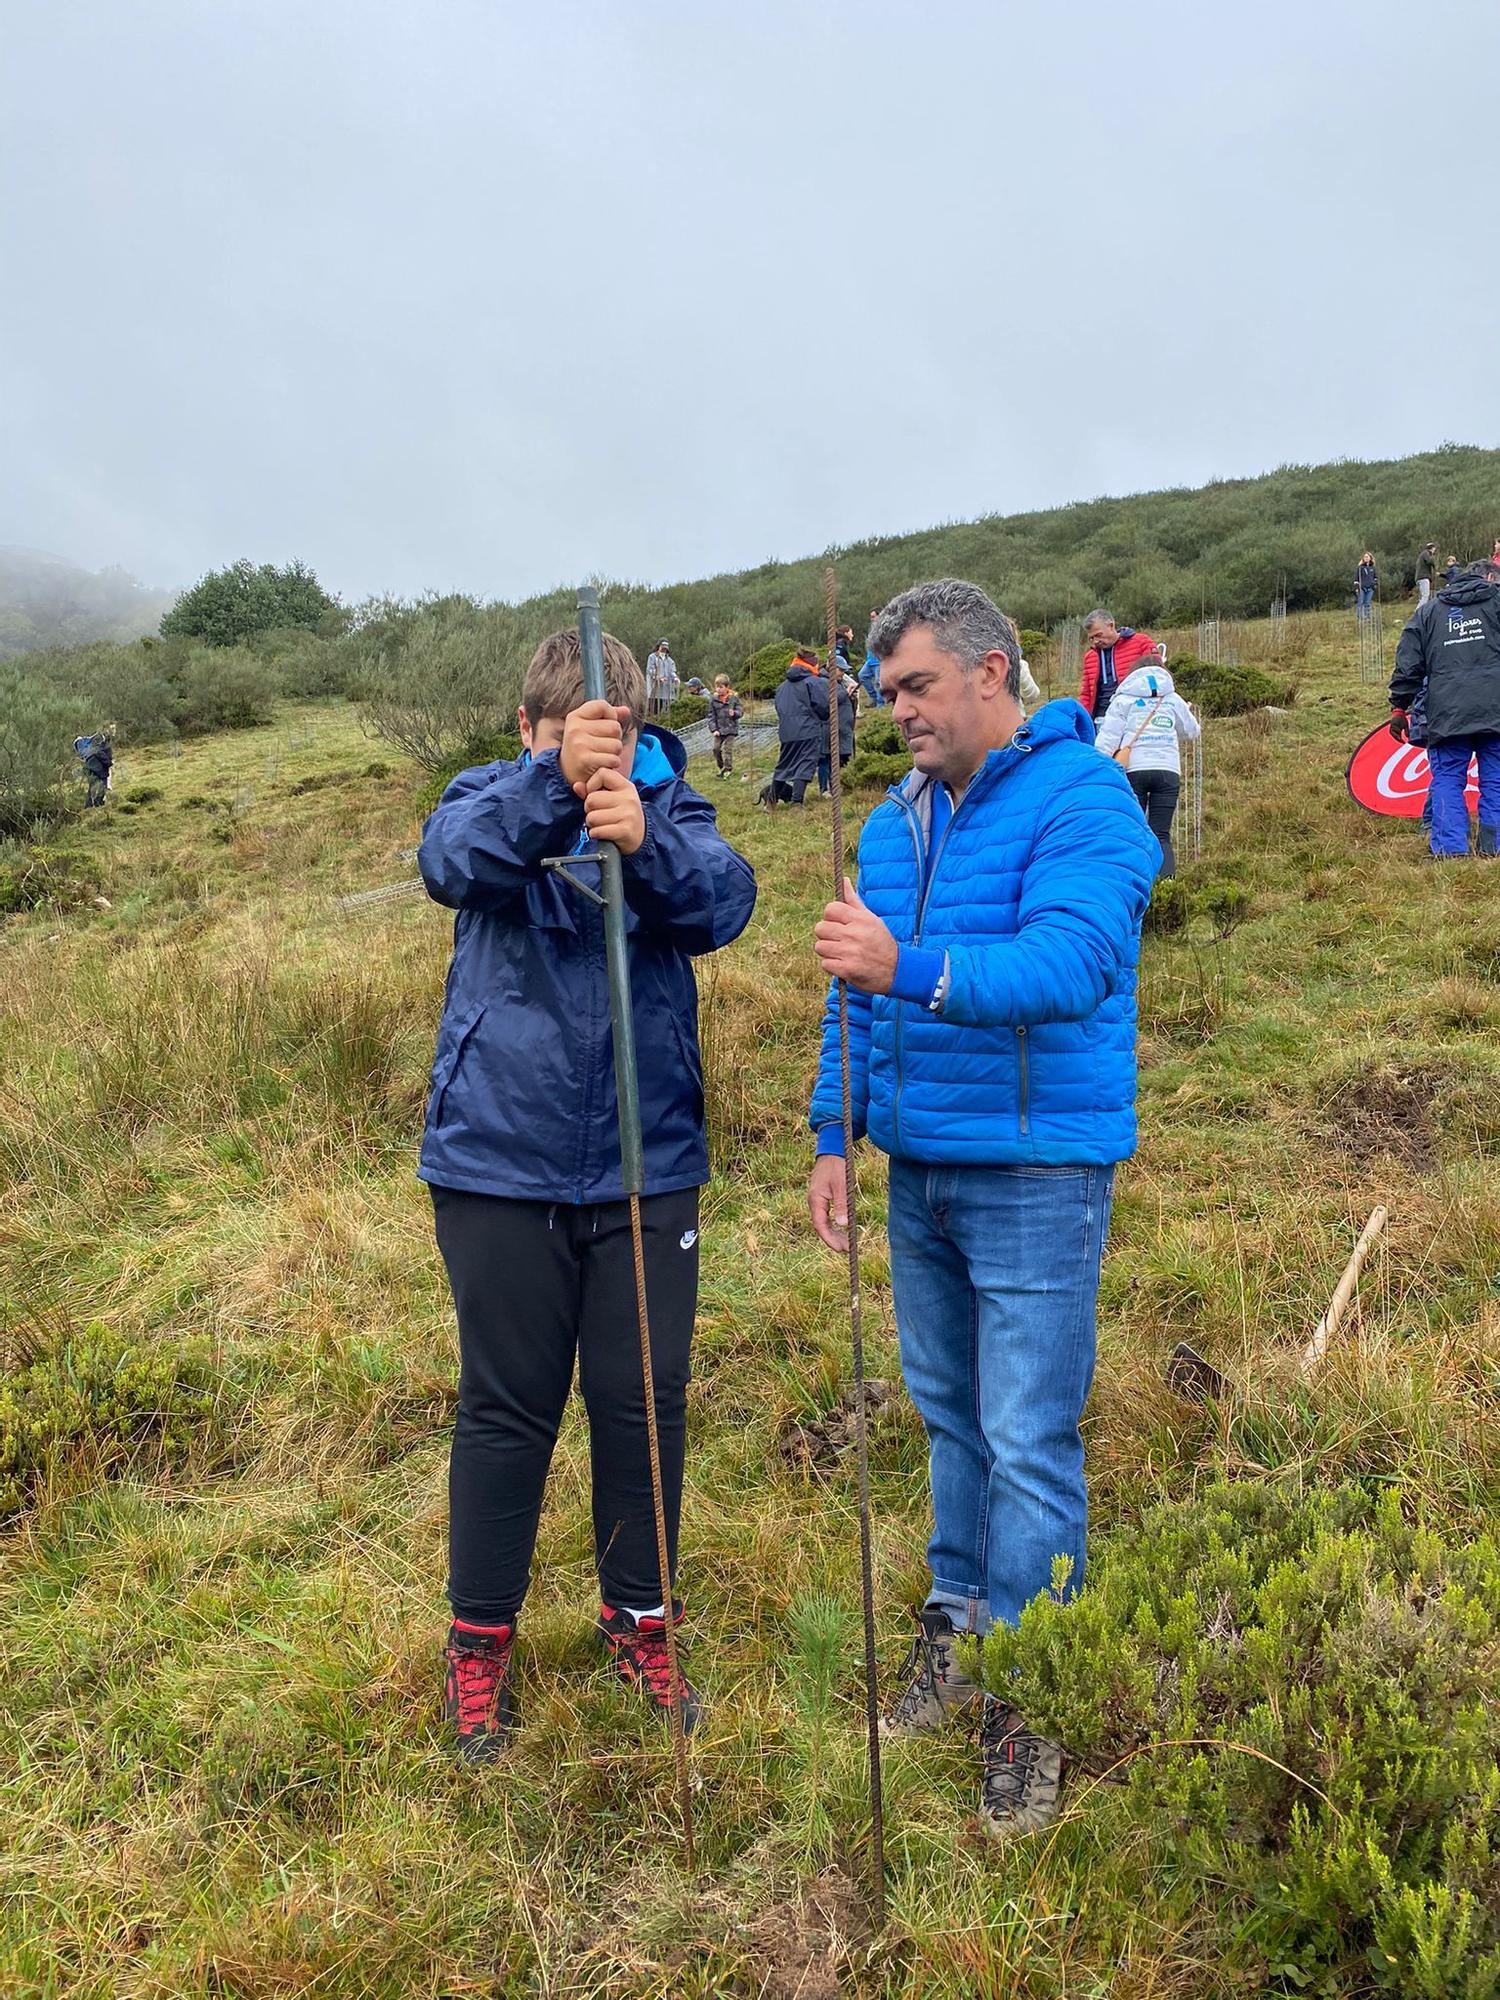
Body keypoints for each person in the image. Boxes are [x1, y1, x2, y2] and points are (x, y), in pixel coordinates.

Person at [805, 579, 1157, 1838]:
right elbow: (858, 985)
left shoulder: (1086, 798)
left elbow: (1074, 963)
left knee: (1027, 1434)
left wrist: (914, 968)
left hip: (1037, 1172)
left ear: (994, 671)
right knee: (949, 1414)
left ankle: (1034, 1687)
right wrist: (835, 1129)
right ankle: (956, 1623)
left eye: (915, 685)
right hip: (922, 1166)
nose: (895, 711)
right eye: (884, 691)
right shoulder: (896, 822)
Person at [417, 626, 757, 1761]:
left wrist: (645, 841)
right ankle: (479, 1648)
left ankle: (641, 1621)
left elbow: (722, 902)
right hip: (497, 1163)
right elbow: (453, 863)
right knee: (506, 1409)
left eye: (613, 747)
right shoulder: (486, 794)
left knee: (644, 1401)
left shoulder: (675, 804)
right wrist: (552, 793)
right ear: (529, 731)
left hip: (647, 1163)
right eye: (569, 744)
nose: (596, 766)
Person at [1389, 559, 1500, 858]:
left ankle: (1452, 849)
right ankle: (1493, 847)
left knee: (1448, 778)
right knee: (1497, 778)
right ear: (1490, 578)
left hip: (1447, 713)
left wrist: (1399, 707)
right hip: (1496, 708)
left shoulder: (1428, 613)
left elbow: (1408, 664)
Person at [1093, 655, 1201, 877]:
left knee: (1134, 831)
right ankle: (1166, 885)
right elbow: (1192, 731)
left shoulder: (1123, 699)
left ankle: (1135, 882)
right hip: (1167, 770)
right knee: (1161, 833)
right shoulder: (1172, 698)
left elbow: (1106, 742)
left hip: (1134, 771)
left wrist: (1097, 768)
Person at [759, 646, 828, 808]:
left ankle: (771, 801)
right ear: (812, 663)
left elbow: (778, 708)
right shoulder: (814, 682)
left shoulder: (782, 687)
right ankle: (797, 803)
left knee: (784, 764)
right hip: (808, 729)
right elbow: (824, 706)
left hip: (786, 731)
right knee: (805, 763)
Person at [1078, 610, 1157, 724]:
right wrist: (1082, 719)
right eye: (1091, 638)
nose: (1096, 641)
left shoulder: (1142, 643)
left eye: (1098, 635)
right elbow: (1086, 694)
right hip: (1101, 719)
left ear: (1111, 626)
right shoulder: (1090, 656)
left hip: (1136, 716)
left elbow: (1158, 677)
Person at [708, 674, 743, 778]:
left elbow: (740, 711)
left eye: (721, 687)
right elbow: (711, 716)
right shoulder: (713, 700)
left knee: (727, 749)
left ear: (727, 687)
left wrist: (735, 713)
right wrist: (714, 729)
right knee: (716, 749)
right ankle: (721, 767)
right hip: (718, 730)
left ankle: (728, 769)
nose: (718, 689)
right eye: (717, 687)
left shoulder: (734, 699)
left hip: (731, 729)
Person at [78, 730, 113, 807]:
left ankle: (89, 805)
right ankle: (98, 804)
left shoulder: (91, 747)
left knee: (92, 787)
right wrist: (109, 763)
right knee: (102, 786)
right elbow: (100, 754)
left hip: (90, 768)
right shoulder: (99, 746)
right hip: (99, 770)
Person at [859, 609, 885, 706]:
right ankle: (873, 697)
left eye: (873, 616)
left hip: (878, 661)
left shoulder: (883, 628)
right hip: (870, 660)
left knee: (879, 682)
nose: (872, 619)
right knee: (862, 676)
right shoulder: (872, 629)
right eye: (871, 617)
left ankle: (880, 704)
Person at [646, 640, 678, 717]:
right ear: (658, 647)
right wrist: (659, 678)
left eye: (665, 649)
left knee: (665, 711)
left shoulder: (670, 660)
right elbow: (650, 670)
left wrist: (675, 678)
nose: (664, 650)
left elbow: (672, 671)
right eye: (662, 648)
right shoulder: (652, 657)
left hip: (666, 690)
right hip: (655, 690)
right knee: (654, 710)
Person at [1356, 553, 1377, 620]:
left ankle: (1367, 617)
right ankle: (1359, 617)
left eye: (1367, 557)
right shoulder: (1360, 568)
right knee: (1361, 602)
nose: (1366, 558)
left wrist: (1374, 584)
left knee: (1367, 602)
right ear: (1363, 558)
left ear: (1370, 558)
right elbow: (1356, 579)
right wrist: (1357, 588)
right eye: (1365, 557)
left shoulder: (1373, 568)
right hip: (1361, 588)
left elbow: (1375, 578)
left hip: (1370, 588)